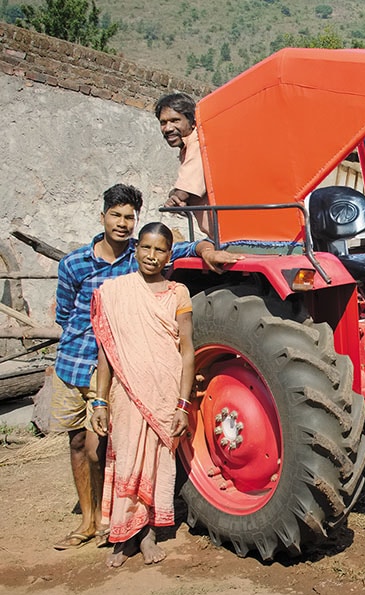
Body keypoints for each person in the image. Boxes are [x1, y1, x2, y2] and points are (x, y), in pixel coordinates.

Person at [51, 183, 237, 551]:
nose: (122, 223)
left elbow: (183, 248)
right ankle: (89, 521)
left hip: (118, 368)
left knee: (103, 445)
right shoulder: (74, 263)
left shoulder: (139, 258)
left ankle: (116, 519)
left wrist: (207, 248)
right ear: (102, 216)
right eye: (116, 215)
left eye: (129, 217)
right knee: (76, 442)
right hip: (76, 360)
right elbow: (63, 313)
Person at [90, 222, 194, 567]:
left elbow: (187, 350)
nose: (152, 256)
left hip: (165, 393)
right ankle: (123, 536)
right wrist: (101, 400)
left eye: (160, 250)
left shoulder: (178, 292)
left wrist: (182, 403)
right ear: (136, 249)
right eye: (146, 248)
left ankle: (148, 533)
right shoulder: (114, 291)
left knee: (155, 462)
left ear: (169, 255)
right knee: (126, 460)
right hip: (127, 392)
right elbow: (107, 351)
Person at [155, 93, 211, 236]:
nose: (168, 128)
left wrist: (175, 196)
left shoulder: (199, 142)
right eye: (163, 122)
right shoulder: (186, 147)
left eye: (175, 120)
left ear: (192, 122)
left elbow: (182, 193)